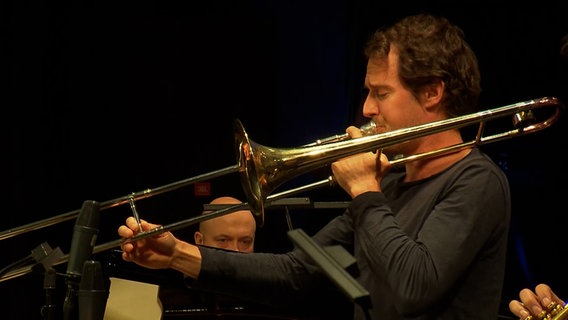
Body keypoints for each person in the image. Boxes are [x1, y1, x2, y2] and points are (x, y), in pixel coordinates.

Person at [118, 13, 511, 320]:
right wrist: (178, 254)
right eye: (368, 93)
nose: (367, 109)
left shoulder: (476, 182)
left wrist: (363, 190)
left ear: (432, 93)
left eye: (382, 93)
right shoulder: (390, 185)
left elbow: (413, 288)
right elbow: (296, 272)